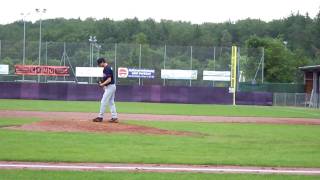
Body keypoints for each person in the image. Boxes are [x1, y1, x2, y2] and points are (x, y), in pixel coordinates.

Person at [92, 58, 118, 123]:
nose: (99, 65)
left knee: (103, 101)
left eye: (100, 64)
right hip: (111, 86)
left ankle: (100, 117)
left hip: (110, 87)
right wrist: (102, 83)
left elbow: (109, 80)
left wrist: (102, 84)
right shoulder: (106, 68)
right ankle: (114, 117)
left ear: (103, 62)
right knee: (111, 102)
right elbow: (106, 80)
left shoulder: (107, 68)